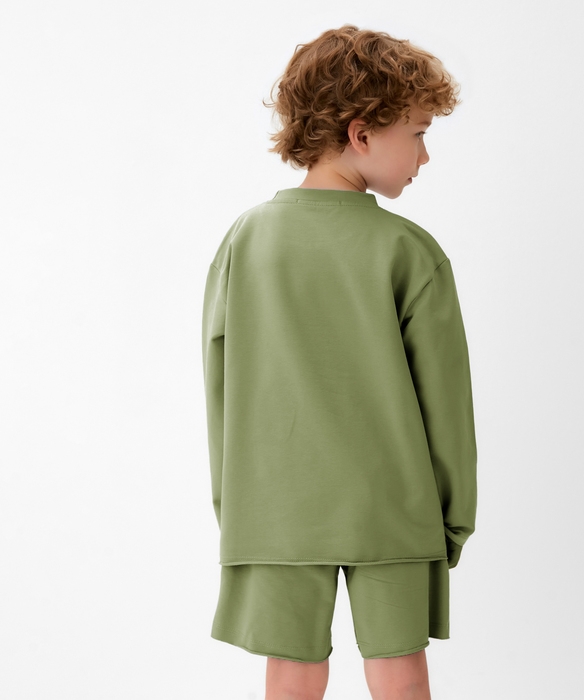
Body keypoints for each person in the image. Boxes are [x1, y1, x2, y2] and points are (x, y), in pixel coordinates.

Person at [201, 24, 478, 700]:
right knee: (401, 674)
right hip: (394, 508)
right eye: (418, 133)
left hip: (275, 510)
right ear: (361, 134)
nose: (425, 156)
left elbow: (221, 388)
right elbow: (446, 404)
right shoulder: (409, 251)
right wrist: (450, 521)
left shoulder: (246, 241)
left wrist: (237, 507)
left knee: (291, 675)